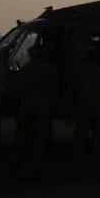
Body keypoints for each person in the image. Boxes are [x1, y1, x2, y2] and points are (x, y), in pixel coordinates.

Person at [71, 46, 100, 182]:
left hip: (83, 112)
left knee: (80, 143)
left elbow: (72, 95)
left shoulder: (77, 73)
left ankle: (77, 172)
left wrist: (71, 111)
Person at [12, 44, 59, 178]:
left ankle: (15, 166)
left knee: (21, 139)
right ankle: (32, 168)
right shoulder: (52, 72)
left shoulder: (26, 69)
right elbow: (53, 94)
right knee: (39, 141)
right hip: (42, 110)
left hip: (26, 108)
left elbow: (19, 89)